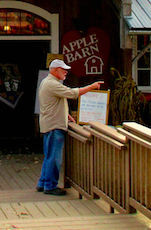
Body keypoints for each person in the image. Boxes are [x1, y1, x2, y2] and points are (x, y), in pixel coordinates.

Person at [37, 59, 102, 195]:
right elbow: (73, 94)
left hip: (50, 123)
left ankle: (43, 183)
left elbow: (54, 103)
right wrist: (92, 86)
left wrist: (66, 115)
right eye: (62, 69)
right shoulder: (52, 84)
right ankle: (50, 186)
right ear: (54, 70)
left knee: (49, 155)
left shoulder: (46, 82)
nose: (66, 71)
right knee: (55, 157)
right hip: (54, 125)